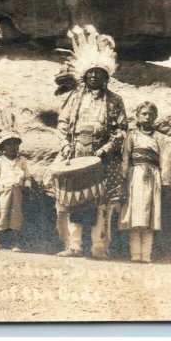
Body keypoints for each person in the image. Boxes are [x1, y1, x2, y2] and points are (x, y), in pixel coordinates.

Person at [55, 25, 128, 259]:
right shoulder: (74, 97)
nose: (94, 76)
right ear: (84, 75)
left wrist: (105, 150)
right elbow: (63, 124)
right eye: (91, 72)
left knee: (101, 203)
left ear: (107, 76)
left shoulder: (115, 101)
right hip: (76, 153)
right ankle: (74, 246)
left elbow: (121, 130)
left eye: (99, 72)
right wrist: (66, 145)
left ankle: (99, 248)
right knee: (73, 200)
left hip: (102, 159)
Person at [119, 101, 170, 263]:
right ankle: (135, 255)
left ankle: (146, 256)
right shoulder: (132, 135)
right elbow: (126, 157)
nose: (147, 117)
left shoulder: (160, 138)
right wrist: (123, 176)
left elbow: (165, 160)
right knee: (135, 215)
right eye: (144, 114)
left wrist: (164, 181)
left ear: (155, 117)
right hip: (135, 177)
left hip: (153, 177)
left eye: (150, 114)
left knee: (149, 216)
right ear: (137, 116)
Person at [0, 131, 31, 251]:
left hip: (17, 192)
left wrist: (27, 188)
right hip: (3, 192)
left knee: (16, 215)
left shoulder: (22, 161)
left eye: (15, 144)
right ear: (3, 147)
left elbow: (27, 177)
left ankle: (15, 243)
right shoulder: (0, 161)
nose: (13, 147)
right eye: (9, 144)